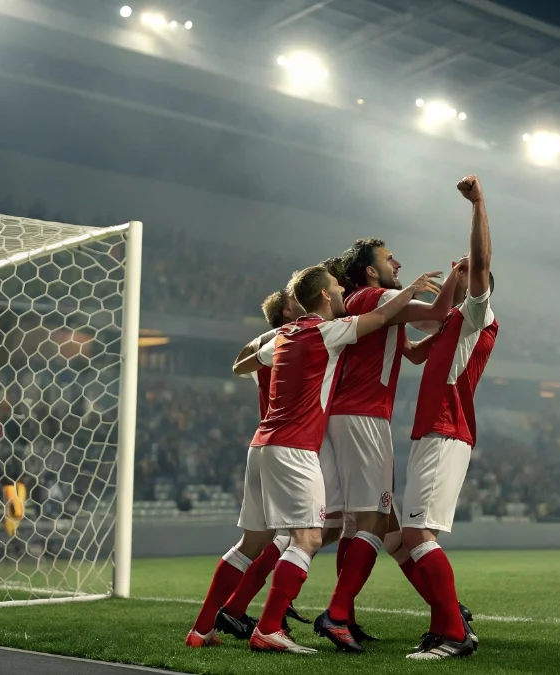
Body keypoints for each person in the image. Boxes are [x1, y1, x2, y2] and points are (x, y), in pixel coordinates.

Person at [185, 265, 437, 654]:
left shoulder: (284, 335)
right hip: (295, 449)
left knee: (249, 544)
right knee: (308, 538)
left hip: (261, 446)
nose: (341, 293)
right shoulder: (327, 332)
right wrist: (413, 289)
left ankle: (201, 630)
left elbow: (240, 364)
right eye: (336, 288)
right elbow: (384, 316)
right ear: (323, 296)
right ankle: (269, 629)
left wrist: (273, 333)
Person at [314, 239, 460, 650]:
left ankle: (350, 617)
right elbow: (436, 314)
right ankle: (338, 612)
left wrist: (445, 331)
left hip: (343, 416)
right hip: (364, 417)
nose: (397, 261)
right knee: (377, 522)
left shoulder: (365, 300)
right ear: (371, 271)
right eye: (387, 257)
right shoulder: (381, 295)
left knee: (356, 523)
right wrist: (456, 278)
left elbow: (412, 352)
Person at [396, 174, 497, 660]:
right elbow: (409, 351)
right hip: (427, 432)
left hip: (447, 429)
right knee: (398, 540)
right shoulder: (450, 324)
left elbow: (481, 264)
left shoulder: (477, 315)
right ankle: (450, 620)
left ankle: (452, 633)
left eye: (464, 270)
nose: (457, 272)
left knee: (418, 534)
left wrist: (478, 205)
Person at [213, 290, 313, 640]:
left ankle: (239, 611)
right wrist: (273, 332)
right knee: (297, 535)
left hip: (269, 445)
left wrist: (266, 334)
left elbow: (239, 362)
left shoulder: (271, 351)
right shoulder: (292, 346)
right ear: (288, 311)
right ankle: (249, 611)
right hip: (292, 445)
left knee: (278, 536)